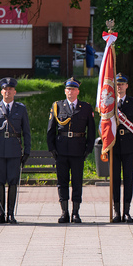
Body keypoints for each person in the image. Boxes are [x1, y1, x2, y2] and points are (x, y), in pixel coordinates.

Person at [47, 78, 96, 223]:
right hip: (61, 150)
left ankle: (75, 213)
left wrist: (88, 148)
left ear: (78, 91)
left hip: (78, 150)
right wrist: (52, 148)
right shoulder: (57, 106)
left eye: (73, 89)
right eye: (68, 89)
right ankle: (64, 212)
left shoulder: (86, 107)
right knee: (62, 182)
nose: (71, 92)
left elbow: (91, 131)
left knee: (77, 182)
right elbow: (51, 129)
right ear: (65, 91)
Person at [0, 77, 30, 224]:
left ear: (14, 92)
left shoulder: (20, 109)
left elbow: (26, 131)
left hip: (14, 150)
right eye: (5, 89)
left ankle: (11, 214)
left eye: (10, 89)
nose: (7, 92)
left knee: (13, 182)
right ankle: (0, 214)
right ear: (1, 92)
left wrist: (27, 150)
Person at [111, 74, 133, 223]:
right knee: (115, 180)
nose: (120, 87)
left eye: (122, 84)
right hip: (114, 146)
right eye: (117, 84)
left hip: (130, 146)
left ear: (127, 86)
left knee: (128, 180)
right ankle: (117, 212)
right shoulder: (109, 103)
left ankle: (127, 212)